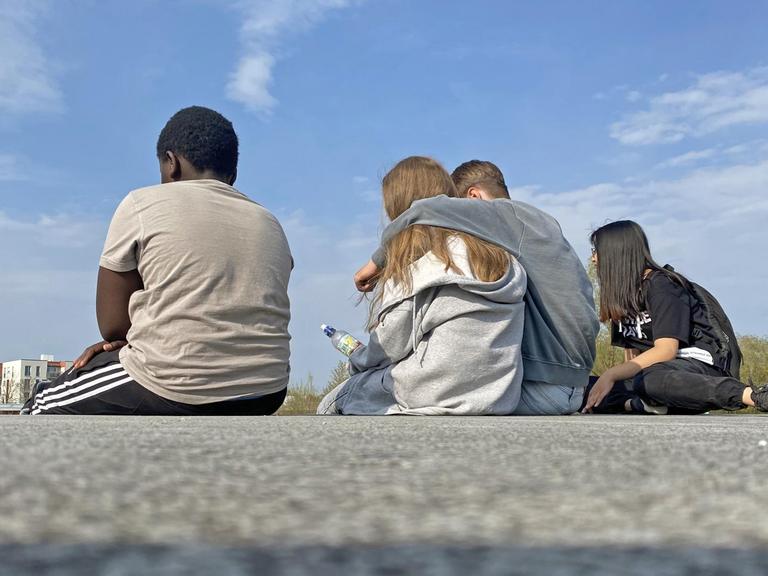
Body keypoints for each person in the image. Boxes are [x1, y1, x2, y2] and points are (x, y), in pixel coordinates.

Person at [23, 106, 292, 415]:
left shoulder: (141, 203)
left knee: (42, 403)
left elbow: (112, 326)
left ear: (171, 163)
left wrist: (117, 350)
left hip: (171, 383)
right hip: (267, 391)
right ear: (232, 175)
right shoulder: (269, 222)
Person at [353, 160, 598, 415]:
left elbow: (423, 210)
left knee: (368, 390)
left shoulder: (507, 215)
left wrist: (375, 264)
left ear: (473, 197)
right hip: (572, 384)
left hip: (542, 386)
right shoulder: (538, 226)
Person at [317, 156, 527, 415]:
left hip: (429, 394)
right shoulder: (499, 257)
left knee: (332, 402)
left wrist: (356, 358)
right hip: (497, 396)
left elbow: (387, 347)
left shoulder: (421, 269)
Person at [581, 220, 768, 414]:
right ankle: (647, 404)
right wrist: (612, 380)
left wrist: (611, 374)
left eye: (596, 250)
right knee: (583, 387)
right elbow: (633, 361)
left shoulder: (661, 285)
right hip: (652, 374)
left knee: (649, 381)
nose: (593, 258)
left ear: (616, 251)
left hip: (697, 367)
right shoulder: (622, 299)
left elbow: (666, 351)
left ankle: (754, 396)